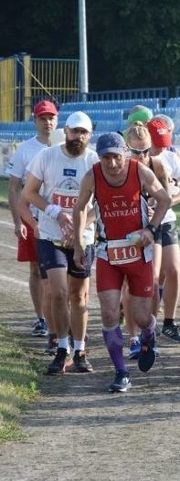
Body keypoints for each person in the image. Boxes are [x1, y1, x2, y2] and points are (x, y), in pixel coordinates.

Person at [71, 133, 171, 392]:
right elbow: (79, 207)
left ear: (125, 153)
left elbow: (164, 199)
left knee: (139, 316)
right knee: (109, 312)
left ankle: (149, 334)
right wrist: (78, 243)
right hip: (108, 253)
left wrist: (150, 229)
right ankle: (121, 371)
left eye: (117, 157)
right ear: (99, 156)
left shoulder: (139, 171)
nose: (112, 163)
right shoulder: (93, 175)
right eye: (106, 157)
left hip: (138, 253)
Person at [22, 111, 99, 375]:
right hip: (49, 235)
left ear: (89, 135)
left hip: (82, 240)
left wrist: (78, 227)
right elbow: (28, 192)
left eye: (83, 132)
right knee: (58, 292)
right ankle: (61, 347)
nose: (77, 136)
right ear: (64, 131)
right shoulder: (47, 156)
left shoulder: (94, 161)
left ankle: (80, 350)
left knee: (79, 295)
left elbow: (99, 205)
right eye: (74, 131)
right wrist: (55, 212)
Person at [7, 100, 56, 348]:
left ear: (57, 120)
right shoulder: (25, 150)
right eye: (42, 118)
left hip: (59, 219)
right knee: (37, 269)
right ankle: (41, 319)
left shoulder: (64, 146)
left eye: (51, 117)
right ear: (35, 121)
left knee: (60, 272)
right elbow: (13, 188)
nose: (47, 122)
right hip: (33, 217)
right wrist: (19, 221)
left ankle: (59, 319)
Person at [144, 117, 180, 344]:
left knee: (173, 270)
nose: (161, 146)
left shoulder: (171, 157)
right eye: (157, 142)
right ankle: (149, 326)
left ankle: (169, 322)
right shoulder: (139, 160)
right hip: (147, 222)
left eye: (164, 141)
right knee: (152, 277)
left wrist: (171, 194)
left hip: (168, 220)